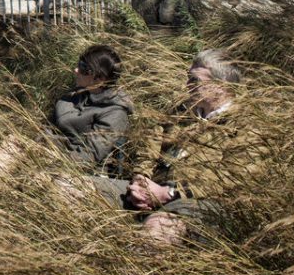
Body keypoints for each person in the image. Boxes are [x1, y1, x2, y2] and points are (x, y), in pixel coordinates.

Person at [86, 48, 260, 245]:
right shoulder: (180, 111)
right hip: (150, 191)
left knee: (158, 230)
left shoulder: (248, 124)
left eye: (194, 81)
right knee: (70, 186)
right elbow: (150, 145)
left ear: (221, 86)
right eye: (188, 78)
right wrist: (140, 179)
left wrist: (169, 193)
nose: (186, 86)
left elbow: (231, 179)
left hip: (196, 202)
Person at [0, 44, 133, 177]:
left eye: (83, 68)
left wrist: (49, 160)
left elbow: (90, 156)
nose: (76, 70)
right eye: (79, 64)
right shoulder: (73, 96)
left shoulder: (114, 112)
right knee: (12, 143)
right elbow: (46, 128)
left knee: (39, 177)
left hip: (76, 168)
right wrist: (38, 148)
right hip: (49, 151)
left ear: (99, 78)